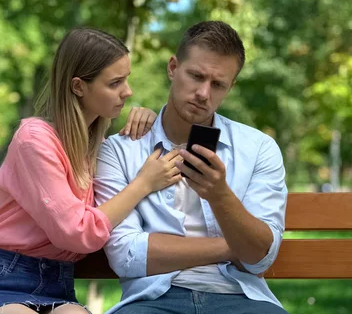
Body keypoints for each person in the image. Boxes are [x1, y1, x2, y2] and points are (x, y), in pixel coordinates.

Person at [0, 28, 183, 314]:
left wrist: (148, 126)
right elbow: (75, 232)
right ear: (78, 86)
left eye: (127, 79)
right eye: (115, 82)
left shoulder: (97, 147)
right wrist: (143, 184)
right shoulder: (34, 139)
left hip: (58, 285)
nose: (128, 91)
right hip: (0, 279)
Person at [94, 21, 289, 314]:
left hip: (239, 296)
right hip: (154, 299)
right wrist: (230, 247)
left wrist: (220, 195)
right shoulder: (122, 149)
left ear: (230, 87)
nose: (203, 93)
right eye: (196, 76)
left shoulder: (258, 148)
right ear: (173, 67)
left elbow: (260, 259)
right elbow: (126, 254)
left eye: (218, 84)